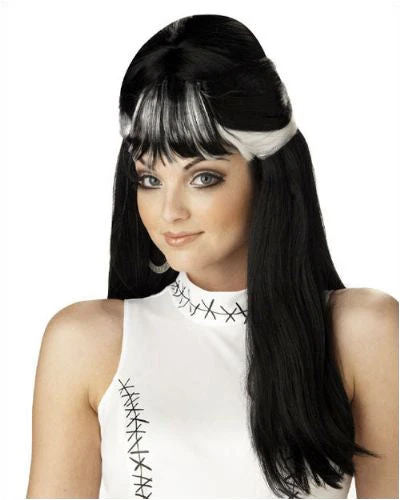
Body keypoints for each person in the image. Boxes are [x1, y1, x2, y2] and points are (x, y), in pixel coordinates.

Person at [26, 14, 398, 499]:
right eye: (150, 178)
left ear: (267, 174)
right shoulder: (84, 343)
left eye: (203, 177)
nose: (169, 211)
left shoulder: (362, 332)